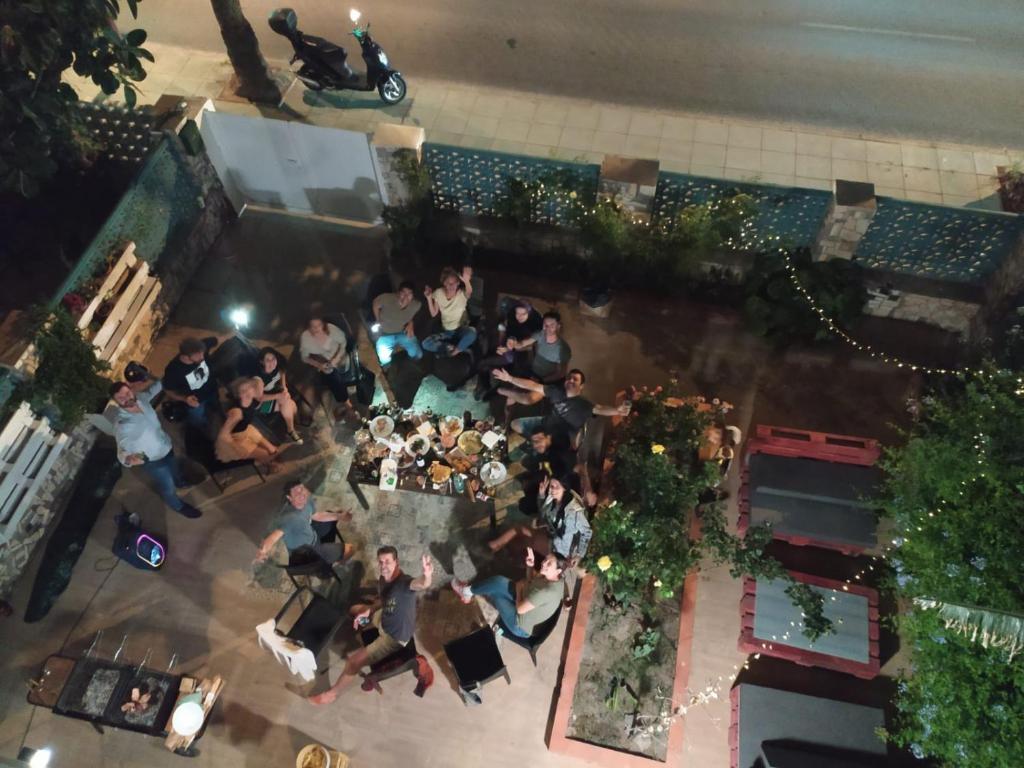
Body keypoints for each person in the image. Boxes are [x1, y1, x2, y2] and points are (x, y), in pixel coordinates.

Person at [310, 547, 433, 705]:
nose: (384, 565)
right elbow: (383, 601)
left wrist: (427, 576)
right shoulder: (383, 579)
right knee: (354, 610)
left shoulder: (404, 584)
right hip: (384, 619)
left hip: (394, 637)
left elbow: (420, 584)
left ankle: (331, 694)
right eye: (381, 562)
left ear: (397, 562)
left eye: (388, 561)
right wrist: (368, 612)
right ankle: (363, 620)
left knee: (353, 662)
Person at [110, 380, 201, 519]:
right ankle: (178, 506)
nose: (127, 398)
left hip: (166, 446)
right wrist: (129, 459)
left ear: (132, 390)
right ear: (116, 401)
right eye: (121, 398)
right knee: (167, 487)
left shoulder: (140, 399)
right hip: (153, 461)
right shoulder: (123, 424)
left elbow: (157, 386)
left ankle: (180, 481)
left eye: (127, 393)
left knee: (175, 469)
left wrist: (149, 380)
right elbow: (121, 452)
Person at [495, 368, 630, 445]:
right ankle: (536, 441)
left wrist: (616, 410)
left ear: (581, 386)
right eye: (569, 378)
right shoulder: (556, 391)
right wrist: (510, 379)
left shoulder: (584, 404)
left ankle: (539, 445)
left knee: (545, 451)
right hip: (545, 423)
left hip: (560, 438)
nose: (570, 380)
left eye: (575, 379)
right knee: (515, 425)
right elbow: (533, 385)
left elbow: (600, 409)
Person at [450, 548, 564, 639]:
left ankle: (465, 593)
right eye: (546, 559)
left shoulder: (546, 591)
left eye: (549, 564)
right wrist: (530, 565)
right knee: (498, 581)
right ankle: (468, 592)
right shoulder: (555, 577)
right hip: (527, 599)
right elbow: (530, 581)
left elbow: (520, 609)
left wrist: (519, 589)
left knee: (494, 593)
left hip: (520, 625)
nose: (544, 563)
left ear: (558, 571)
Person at [488, 472, 592, 565]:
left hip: (559, 548)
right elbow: (543, 513)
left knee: (522, 534)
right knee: (520, 533)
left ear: (564, 488)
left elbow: (587, 532)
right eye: (551, 486)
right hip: (548, 532)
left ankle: (496, 548)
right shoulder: (552, 497)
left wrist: (579, 555)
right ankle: (501, 549)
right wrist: (542, 495)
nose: (552, 489)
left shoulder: (574, 512)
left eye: (557, 487)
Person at [256, 481, 353, 565]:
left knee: (336, 513)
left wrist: (339, 516)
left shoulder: (306, 500)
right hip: (305, 553)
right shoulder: (289, 518)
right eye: (296, 493)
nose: (301, 494)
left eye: (301, 489)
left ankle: (329, 554)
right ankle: (325, 568)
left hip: (312, 535)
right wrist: (262, 551)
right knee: (350, 549)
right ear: (289, 497)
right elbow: (273, 537)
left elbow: (316, 515)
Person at [473, 300, 542, 400]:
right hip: (508, 348)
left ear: (529, 313)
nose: (519, 316)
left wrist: (510, 348)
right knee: (486, 361)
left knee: (483, 363)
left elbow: (529, 346)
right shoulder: (512, 318)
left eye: (523, 314)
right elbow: (507, 332)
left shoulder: (534, 326)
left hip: (520, 352)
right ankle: (486, 385)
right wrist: (503, 344)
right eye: (517, 313)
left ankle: (491, 387)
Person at [501, 311, 572, 407]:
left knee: (528, 398)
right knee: (511, 397)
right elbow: (522, 344)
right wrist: (513, 343)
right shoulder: (541, 334)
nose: (548, 328)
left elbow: (561, 373)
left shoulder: (563, 349)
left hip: (546, 380)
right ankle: (505, 418)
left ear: (558, 326)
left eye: (552, 325)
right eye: (545, 324)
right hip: (532, 372)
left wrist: (541, 380)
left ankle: (500, 391)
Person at [299, 316, 359, 423]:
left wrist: (336, 359)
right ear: (308, 327)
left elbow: (344, 343)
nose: (317, 328)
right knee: (329, 374)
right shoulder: (305, 337)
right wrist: (318, 365)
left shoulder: (332, 329)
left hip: (340, 357)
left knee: (332, 375)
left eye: (319, 325)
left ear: (323, 324)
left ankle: (346, 403)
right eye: (313, 327)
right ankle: (345, 402)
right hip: (322, 362)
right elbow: (304, 357)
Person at [214, 377, 282, 471]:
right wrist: (237, 449)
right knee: (266, 454)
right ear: (241, 394)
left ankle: (266, 462)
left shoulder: (252, 399)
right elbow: (223, 435)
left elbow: (261, 399)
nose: (247, 392)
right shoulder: (237, 412)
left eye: (249, 388)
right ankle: (265, 464)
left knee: (274, 450)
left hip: (247, 431)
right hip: (237, 439)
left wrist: (279, 397)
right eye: (243, 391)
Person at [162, 336, 223, 434]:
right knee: (198, 420)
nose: (203, 357)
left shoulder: (200, 347)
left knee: (215, 404)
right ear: (186, 357)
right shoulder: (173, 370)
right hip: (196, 400)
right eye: (198, 356)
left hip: (212, 389)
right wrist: (185, 399)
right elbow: (168, 390)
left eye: (203, 354)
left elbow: (217, 339)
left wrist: (234, 331)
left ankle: (214, 410)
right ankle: (202, 430)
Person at [422, 266, 476, 357]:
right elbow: (434, 313)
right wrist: (428, 298)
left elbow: (469, 292)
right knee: (426, 343)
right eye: (448, 283)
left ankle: (456, 351)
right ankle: (449, 347)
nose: (451, 286)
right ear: (444, 283)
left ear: (458, 283)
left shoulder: (462, 294)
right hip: (446, 332)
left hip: (460, 329)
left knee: (472, 332)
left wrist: (466, 281)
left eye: (454, 283)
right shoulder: (438, 293)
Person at [256, 347, 302, 444]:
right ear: (261, 362)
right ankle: (291, 430)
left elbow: (282, 373)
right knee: (288, 403)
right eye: (267, 360)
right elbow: (259, 398)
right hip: (261, 405)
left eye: (273, 359)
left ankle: (291, 426)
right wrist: (278, 396)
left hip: (275, 395)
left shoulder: (277, 367)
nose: (272, 362)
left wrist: (284, 387)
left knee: (286, 401)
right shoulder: (259, 378)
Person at [372, 280, 423, 366]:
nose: (406, 296)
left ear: (413, 295)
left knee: (418, 354)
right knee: (384, 360)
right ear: (398, 293)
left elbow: (411, 315)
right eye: (403, 293)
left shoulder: (416, 305)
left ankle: (410, 366)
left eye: (409, 294)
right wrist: (377, 319)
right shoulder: (386, 298)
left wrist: (411, 324)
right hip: (385, 333)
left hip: (402, 332)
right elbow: (375, 303)